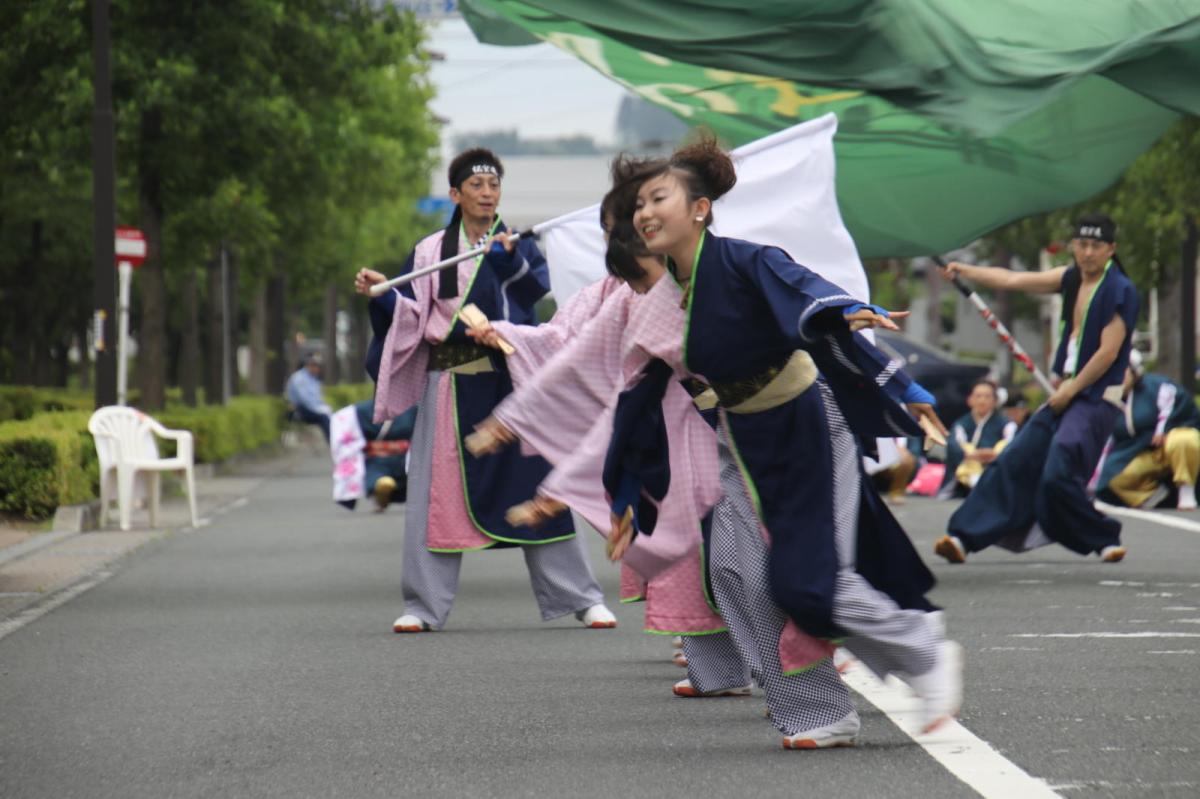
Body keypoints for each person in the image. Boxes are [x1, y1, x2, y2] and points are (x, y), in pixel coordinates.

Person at [517, 140, 959, 748]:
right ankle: (817, 712)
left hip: (807, 428)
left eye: (658, 198)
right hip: (735, 441)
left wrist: (870, 342)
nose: (645, 212)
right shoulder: (655, 301)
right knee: (737, 573)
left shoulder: (747, 262)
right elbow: (638, 404)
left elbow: (812, 303)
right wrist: (623, 495)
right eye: (638, 203)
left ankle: (921, 649)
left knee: (810, 582)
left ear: (700, 208)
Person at [473, 213, 751, 699]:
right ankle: (723, 667)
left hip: (747, 422)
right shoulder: (619, 294)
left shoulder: (725, 272)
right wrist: (512, 394)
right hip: (667, 424)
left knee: (748, 556)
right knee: (692, 554)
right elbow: (569, 349)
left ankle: (797, 661)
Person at [355, 147, 615, 633]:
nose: (487, 193)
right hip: (450, 384)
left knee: (541, 485)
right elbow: (412, 313)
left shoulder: (513, 245)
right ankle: (422, 606)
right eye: (476, 186)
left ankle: (582, 597)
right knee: (434, 496)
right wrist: (384, 291)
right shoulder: (431, 251)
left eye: (493, 185)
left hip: (511, 382)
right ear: (455, 194)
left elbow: (533, 293)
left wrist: (506, 263)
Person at [934, 213, 1139, 564]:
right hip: (1064, 395)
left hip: (1095, 399)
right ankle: (962, 537)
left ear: (1110, 249)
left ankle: (1103, 537)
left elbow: (1108, 352)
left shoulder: (1121, 290)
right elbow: (1013, 279)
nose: (1088, 252)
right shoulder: (1070, 279)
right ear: (1074, 246)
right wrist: (966, 272)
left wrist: (1071, 390)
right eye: (1082, 244)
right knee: (1014, 459)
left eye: (1096, 246)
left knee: (1057, 469)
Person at [1095, 350, 1200, 511]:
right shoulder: (1111, 401)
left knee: (1184, 439)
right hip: (1143, 453)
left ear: (1134, 371)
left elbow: (1183, 412)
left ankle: (1186, 489)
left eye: (1122, 369)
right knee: (1115, 478)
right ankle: (1154, 494)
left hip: (1172, 446)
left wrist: (1164, 429)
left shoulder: (1159, 387)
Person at [936, 379, 1018, 499]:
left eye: (987, 396)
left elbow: (1012, 443)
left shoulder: (1006, 424)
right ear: (970, 400)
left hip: (995, 468)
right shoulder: (961, 424)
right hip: (966, 473)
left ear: (995, 401)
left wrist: (994, 454)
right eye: (978, 396)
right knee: (964, 451)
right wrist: (972, 454)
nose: (982, 400)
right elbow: (955, 446)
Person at [330, 399, 416, 512]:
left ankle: (380, 494)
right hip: (388, 459)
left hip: (391, 458)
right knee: (390, 480)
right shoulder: (413, 409)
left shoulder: (359, 411)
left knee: (388, 478)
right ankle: (380, 494)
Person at [285, 354, 332, 441]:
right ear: (309, 365)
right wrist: (319, 409)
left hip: (312, 408)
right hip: (300, 410)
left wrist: (325, 407)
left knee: (333, 417)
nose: (318, 369)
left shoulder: (313, 379)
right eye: (316, 366)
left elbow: (318, 397)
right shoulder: (299, 378)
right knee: (324, 418)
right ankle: (332, 442)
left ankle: (337, 441)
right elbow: (304, 399)